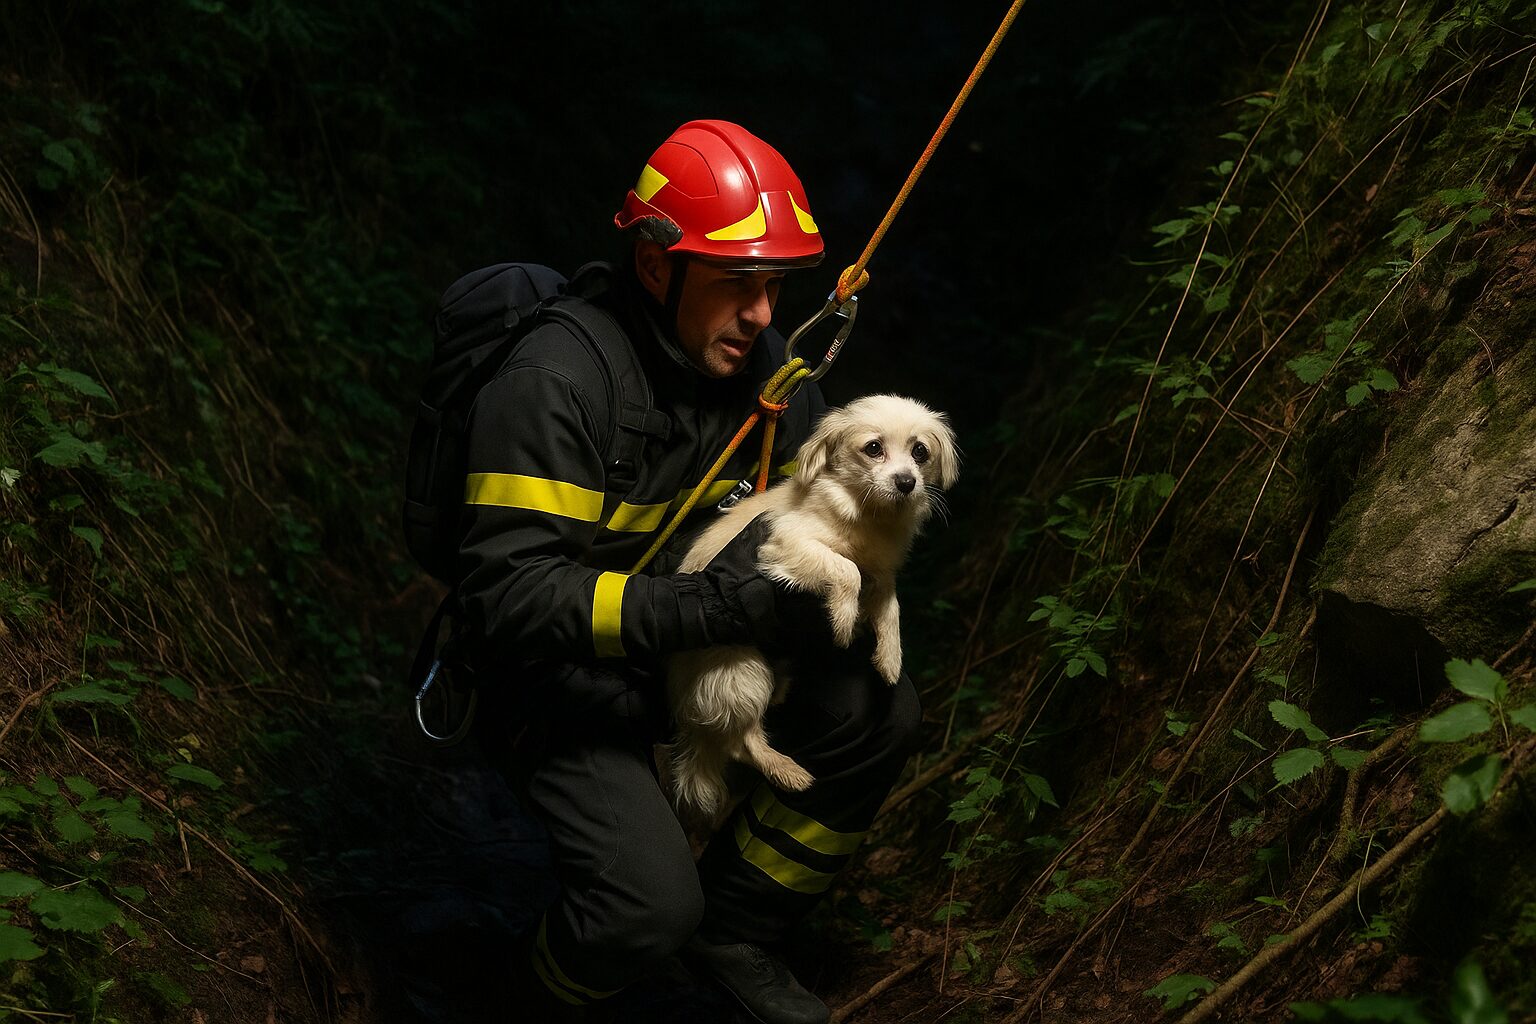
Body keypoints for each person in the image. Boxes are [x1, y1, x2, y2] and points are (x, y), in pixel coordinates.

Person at [457, 120, 920, 1024]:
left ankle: (737, 929)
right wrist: (706, 608)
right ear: (655, 265)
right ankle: (526, 995)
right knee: (645, 909)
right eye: (736, 284)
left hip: (702, 662)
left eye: (774, 286)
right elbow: (508, 598)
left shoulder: (774, 378)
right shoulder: (557, 381)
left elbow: (827, 511)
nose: (762, 315)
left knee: (883, 711)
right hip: (562, 680)